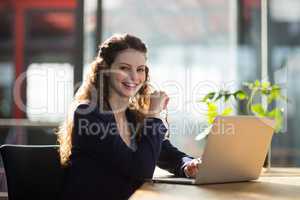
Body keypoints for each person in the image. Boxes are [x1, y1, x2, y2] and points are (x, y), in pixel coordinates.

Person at [57, 33, 201, 200]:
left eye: (140, 69)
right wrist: (154, 115)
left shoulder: (133, 117)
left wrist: (188, 165)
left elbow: (168, 154)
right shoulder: (88, 114)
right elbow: (141, 170)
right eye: (124, 68)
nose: (134, 77)